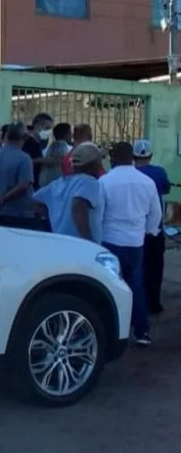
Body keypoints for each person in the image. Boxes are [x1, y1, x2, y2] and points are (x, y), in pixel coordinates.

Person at [100, 141, 162, 347]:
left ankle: (113, 332)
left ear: (112, 158)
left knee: (110, 285)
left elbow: (98, 213)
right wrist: (148, 231)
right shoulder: (146, 182)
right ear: (132, 157)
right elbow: (156, 213)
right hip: (135, 241)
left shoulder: (105, 181)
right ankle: (142, 331)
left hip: (110, 240)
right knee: (136, 286)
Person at [33, 142, 106, 243]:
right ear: (94, 163)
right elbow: (78, 207)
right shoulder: (89, 182)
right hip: (80, 247)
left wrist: (54, 213)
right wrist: (89, 242)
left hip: (60, 243)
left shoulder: (58, 183)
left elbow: (33, 201)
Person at [133, 138, 171, 315]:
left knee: (136, 268)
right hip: (155, 228)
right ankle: (153, 304)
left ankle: (136, 304)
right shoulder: (159, 172)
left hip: (134, 228)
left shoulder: (129, 174)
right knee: (155, 267)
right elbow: (166, 189)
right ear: (151, 155)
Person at [0, 123, 42, 230]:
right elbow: (24, 185)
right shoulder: (24, 158)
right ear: (25, 137)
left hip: (0, 212)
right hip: (21, 213)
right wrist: (4, 198)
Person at [22, 112, 54, 188]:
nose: (49, 131)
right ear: (38, 127)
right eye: (47, 128)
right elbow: (27, 161)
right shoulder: (30, 143)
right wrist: (47, 161)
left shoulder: (37, 143)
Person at [37, 122, 72, 188]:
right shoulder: (62, 145)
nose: (71, 135)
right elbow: (57, 159)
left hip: (45, 184)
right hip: (55, 185)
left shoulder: (49, 147)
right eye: (70, 133)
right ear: (66, 134)